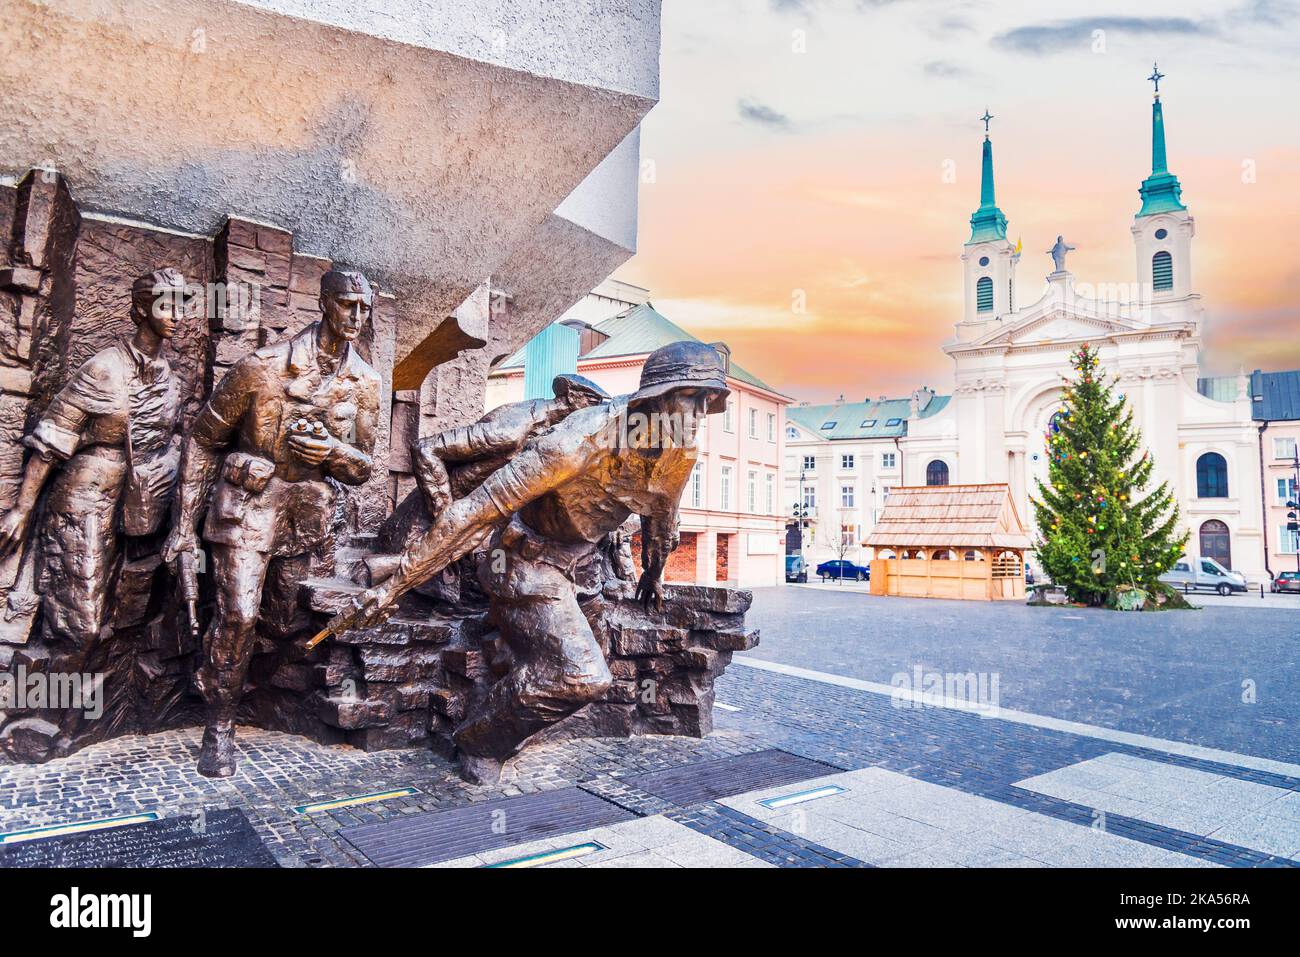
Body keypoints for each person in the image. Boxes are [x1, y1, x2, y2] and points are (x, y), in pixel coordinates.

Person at [335, 340, 729, 782]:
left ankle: (510, 662)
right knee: (581, 676)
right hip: (525, 561)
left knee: (587, 657)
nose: (699, 414)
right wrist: (392, 587)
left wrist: (653, 576)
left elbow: (662, 518)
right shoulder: (576, 442)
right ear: (655, 398)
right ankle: (478, 742)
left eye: (708, 401)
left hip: (584, 567)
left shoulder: (679, 448)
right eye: (690, 397)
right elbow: (474, 514)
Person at [163, 269, 381, 777]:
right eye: (348, 304)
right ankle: (220, 724)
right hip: (247, 506)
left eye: (364, 308)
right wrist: (182, 524)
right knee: (239, 613)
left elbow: (366, 466)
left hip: (305, 517)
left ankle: (223, 675)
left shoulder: (365, 381)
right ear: (324, 303)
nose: (356, 316)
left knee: (281, 622)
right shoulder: (259, 368)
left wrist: (334, 453)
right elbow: (201, 440)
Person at [0, 268, 186, 646]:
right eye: (166, 306)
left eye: (181, 307)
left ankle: (76, 698)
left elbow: (172, 441)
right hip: (83, 499)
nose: (176, 316)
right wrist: (21, 508)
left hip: (138, 506)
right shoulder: (104, 369)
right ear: (141, 309)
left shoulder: (171, 380)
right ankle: (43, 695)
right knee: (79, 622)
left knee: (113, 621)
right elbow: (51, 440)